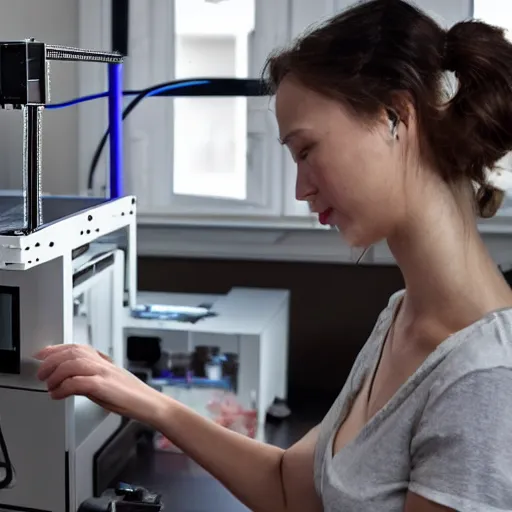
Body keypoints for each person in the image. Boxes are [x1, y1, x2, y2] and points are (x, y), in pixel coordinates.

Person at [35, 0, 512, 510]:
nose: (300, 189)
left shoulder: (484, 380)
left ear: (396, 116)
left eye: (306, 151)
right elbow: (291, 487)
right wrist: (146, 401)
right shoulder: (401, 316)